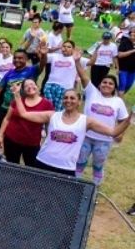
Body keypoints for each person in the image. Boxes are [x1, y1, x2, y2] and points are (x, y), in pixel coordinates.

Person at [10, 81, 130, 176]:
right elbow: (24, 114)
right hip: (43, 162)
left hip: (66, 168)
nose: (68, 100)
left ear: (79, 102)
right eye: (65, 98)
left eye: (72, 98)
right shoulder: (52, 115)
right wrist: (16, 94)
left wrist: (130, 117)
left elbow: (113, 132)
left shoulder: (86, 121)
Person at [74, 54, 129, 185]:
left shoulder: (118, 101)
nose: (107, 85)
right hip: (86, 135)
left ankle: (95, 188)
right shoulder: (92, 92)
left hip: (104, 140)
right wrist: (77, 62)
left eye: (111, 83)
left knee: (98, 165)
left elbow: (124, 120)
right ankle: (75, 185)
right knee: (80, 162)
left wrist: (120, 133)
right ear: (99, 85)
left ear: (114, 88)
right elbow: (83, 76)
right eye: (104, 82)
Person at [0, 79, 53, 165]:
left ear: (37, 87)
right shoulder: (18, 101)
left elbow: (48, 126)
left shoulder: (47, 104)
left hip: (32, 144)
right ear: (23, 90)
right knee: (12, 166)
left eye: (32, 84)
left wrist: (47, 143)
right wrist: (0, 135)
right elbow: (7, 119)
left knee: (31, 169)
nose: (30, 87)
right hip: (11, 140)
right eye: (26, 86)